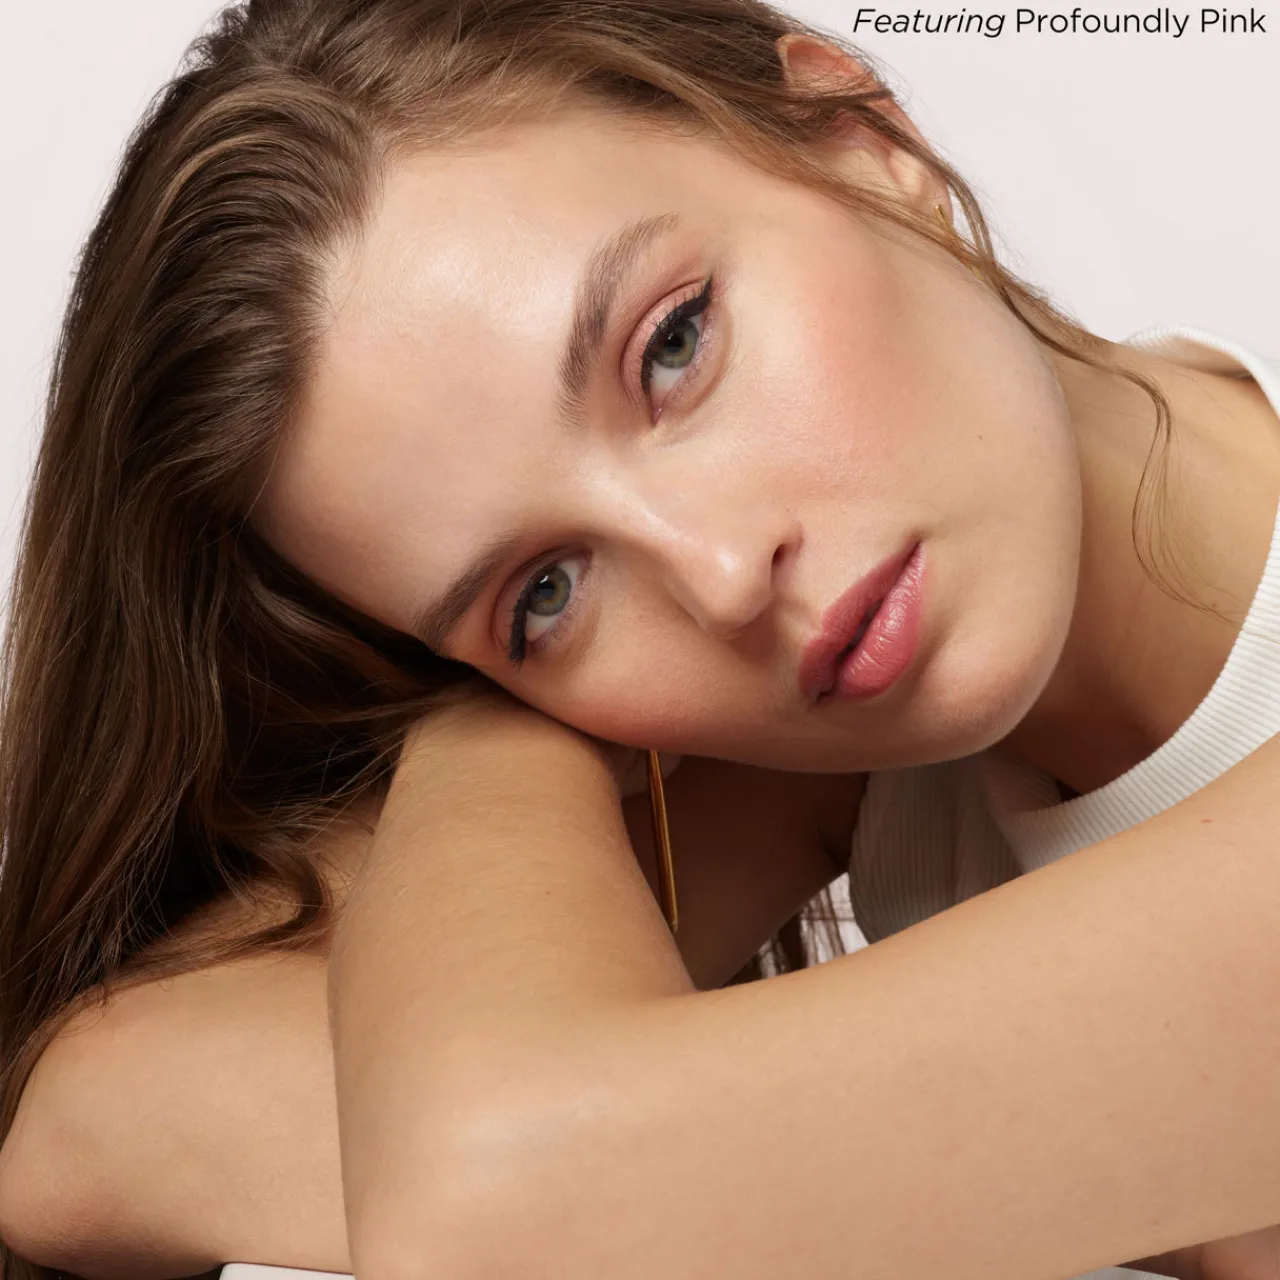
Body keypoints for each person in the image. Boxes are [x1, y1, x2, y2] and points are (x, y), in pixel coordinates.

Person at [0, 0, 1277, 1277]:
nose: (718, 576)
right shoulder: (855, 775)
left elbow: (499, 1202)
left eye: (672, 345)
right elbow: (82, 1113)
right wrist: (487, 727)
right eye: (547, 589)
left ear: (856, 138)